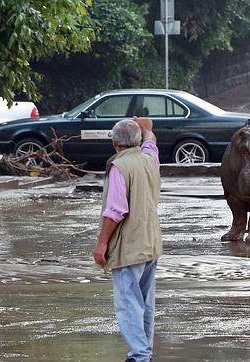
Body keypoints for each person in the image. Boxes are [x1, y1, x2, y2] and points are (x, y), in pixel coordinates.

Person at [93, 117, 162, 362]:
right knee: (145, 301)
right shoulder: (149, 159)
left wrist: (101, 244)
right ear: (137, 141)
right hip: (151, 243)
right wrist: (147, 129)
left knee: (128, 302)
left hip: (129, 246)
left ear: (114, 143)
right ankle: (144, 352)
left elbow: (115, 211)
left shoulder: (119, 167)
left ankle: (140, 355)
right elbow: (151, 143)